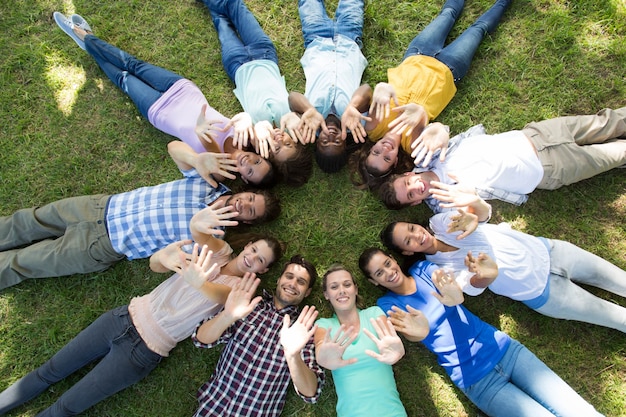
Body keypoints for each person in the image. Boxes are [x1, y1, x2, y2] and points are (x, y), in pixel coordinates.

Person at [0, 203, 283, 416]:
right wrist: (195, 225)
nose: (252, 258)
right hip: (121, 318)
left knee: (66, 407)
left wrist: (198, 282)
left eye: (260, 260)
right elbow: (196, 235)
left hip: (142, 352)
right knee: (46, 372)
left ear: (264, 270)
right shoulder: (219, 252)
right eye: (253, 250)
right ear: (246, 246)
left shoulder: (241, 291)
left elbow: (217, 294)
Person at [0, 140, 280, 290]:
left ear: (247, 222)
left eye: (251, 211)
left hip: (103, 245)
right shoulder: (207, 181)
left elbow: (162, 263)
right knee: (26, 221)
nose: (245, 204)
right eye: (250, 198)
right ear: (245, 190)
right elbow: (174, 148)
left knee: (23, 263)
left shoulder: (212, 241)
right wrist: (195, 158)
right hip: (100, 206)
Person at [359, 247, 603, 417]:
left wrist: (456, 296)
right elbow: (411, 332)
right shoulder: (387, 304)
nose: (388, 272)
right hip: (478, 381)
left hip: (506, 351)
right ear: (374, 282)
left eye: (387, 263)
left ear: (393, 259)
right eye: (379, 273)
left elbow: (450, 285)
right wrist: (421, 333)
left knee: (580, 412)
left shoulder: (423, 269)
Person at [53, 12, 277, 188]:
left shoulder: (219, 173)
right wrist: (246, 118)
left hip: (160, 111)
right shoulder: (246, 138)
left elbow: (201, 147)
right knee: (133, 64)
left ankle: (86, 39)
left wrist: (201, 131)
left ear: (245, 181)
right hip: (183, 90)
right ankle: (87, 38)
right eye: (256, 162)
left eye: (250, 172)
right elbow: (244, 117)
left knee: (123, 78)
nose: (248, 163)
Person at [347, 0, 512, 189]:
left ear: (369, 150)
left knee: (448, 13)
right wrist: (423, 115)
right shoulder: (413, 146)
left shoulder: (373, 129)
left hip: (417, 54)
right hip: (449, 69)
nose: (384, 149)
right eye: (386, 158)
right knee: (478, 29)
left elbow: (372, 92)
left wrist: (381, 88)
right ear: (395, 163)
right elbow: (435, 129)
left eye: (376, 153)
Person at [378, 107, 626, 210]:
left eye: (406, 184)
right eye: (411, 195)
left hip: (537, 134)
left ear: (407, 174)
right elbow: (478, 215)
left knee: (609, 121)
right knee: (617, 153)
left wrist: (437, 127)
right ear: (414, 204)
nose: (415, 188)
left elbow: (436, 129)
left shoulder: (426, 156)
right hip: (550, 170)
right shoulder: (446, 206)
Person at [191, 255, 325, 416]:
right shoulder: (248, 308)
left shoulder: (303, 331)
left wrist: (293, 355)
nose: (292, 284)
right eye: (289, 276)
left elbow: (311, 392)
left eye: (301, 282)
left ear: (307, 292)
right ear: (278, 280)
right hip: (211, 409)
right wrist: (228, 315)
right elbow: (201, 340)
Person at [200, 0, 313, 186]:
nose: (279, 140)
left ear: (268, 156)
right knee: (235, 6)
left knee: (221, 22)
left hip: (236, 65)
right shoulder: (293, 124)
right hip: (265, 54)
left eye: (276, 149)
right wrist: (296, 115)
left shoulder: (255, 137)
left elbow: (241, 123)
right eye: (288, 144)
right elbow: (296, 98)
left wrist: (252, 124)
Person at [287, 0, 369, 173]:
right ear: (345, 141)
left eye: (325, 142)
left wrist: (309, 109)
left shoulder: (309, 124)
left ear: (316, 143)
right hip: (349, 39)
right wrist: (353, 106)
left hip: (316, 40)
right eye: (337, 141)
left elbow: (293, 97)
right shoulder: (355, 123)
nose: (331, 136)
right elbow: (367, 90)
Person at [314, 265, 406, 417]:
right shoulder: (324, 325)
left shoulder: (374, 313)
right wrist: (322, 356)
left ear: (355, 289)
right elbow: (320, 347)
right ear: (326, 294)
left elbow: (390, 341)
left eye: (347, 284)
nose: (342, 290)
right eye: (334, 287)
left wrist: (396, 351)